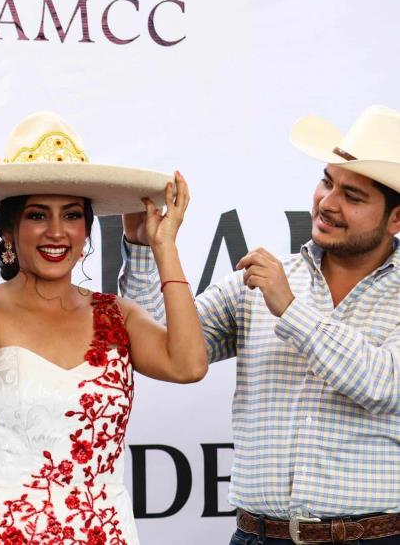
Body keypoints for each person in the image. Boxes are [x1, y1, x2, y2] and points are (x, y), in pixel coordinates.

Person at [119, 105, 400, 544]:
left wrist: (290, 308)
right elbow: (157, 343)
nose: (327, 203)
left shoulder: (276, 289)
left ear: (397, 219)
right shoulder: (257, 285)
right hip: (257, 536)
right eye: (327, 181)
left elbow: (386, 385)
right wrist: (143, 248)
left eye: (354, 196)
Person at [0, 111, 208, 544]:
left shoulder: (116, 314)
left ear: (86, 230)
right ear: (7, 227)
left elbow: (189, 365)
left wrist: (165, 247)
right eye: (36, 215)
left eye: (71, 215)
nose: (57, 232)